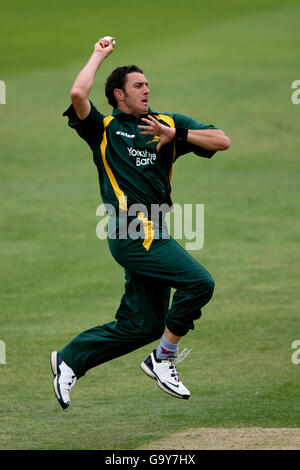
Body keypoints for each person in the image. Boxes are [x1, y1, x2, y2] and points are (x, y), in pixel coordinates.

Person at [50, 36, 230, 409]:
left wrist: (176, 135)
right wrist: (98, 54)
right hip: (131, 231)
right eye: (138, 85)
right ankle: (163, 358)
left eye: (147, 84)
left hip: (156, 231)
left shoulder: (164, 123)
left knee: (142, 325)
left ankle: (70, 359)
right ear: (119, 95)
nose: (147, 89)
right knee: (199, 283)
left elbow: (222, 140)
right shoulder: (103, 129)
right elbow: (77, 93)